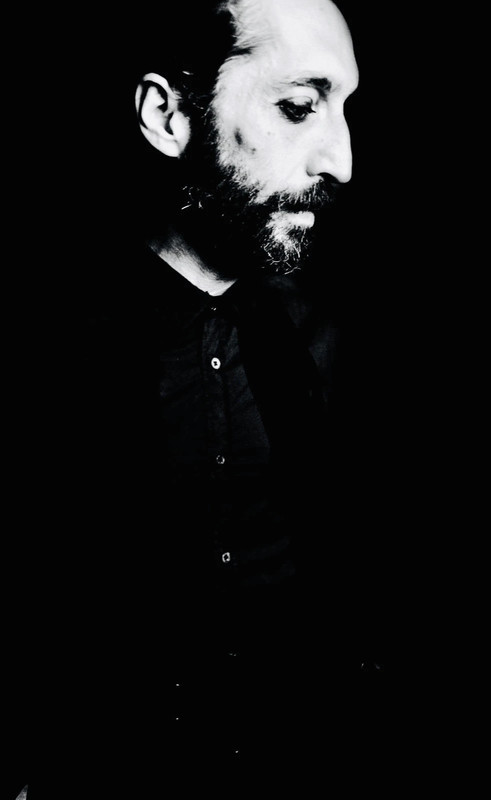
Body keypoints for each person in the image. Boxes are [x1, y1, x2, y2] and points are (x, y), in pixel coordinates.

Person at [9, 2, 390, 797]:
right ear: (167, 116)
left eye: (345, 108)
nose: (342, 161)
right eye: (298, 106)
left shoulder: (338, 339)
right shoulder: (46, 345)